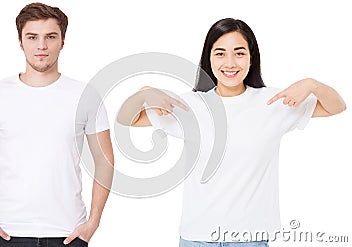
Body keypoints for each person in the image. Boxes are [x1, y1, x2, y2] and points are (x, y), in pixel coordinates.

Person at [117, 18, 346, 246]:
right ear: (209, 57)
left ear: (251, 57)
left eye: (239, 53)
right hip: (198, 237)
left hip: (250, 237)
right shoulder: (191, 106)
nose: (230, 63)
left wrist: (312, 84)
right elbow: (127, 119)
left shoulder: (274, 102)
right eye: (220, 53)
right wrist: (143, 93)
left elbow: (336, 107)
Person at [0, 3, 114, 247]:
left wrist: (93, 222)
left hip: (68, 234)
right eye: (32, 37)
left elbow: (104, 160)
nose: (41, 46)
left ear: (63, 41)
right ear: (21, 42)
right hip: (7, 232)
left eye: (50, 37)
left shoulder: (86, 95)